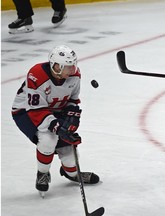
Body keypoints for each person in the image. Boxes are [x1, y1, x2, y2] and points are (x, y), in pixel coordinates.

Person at [12, 45, 99, 197]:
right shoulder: (36, 75)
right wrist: (57, 127)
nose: (71, 70)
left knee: (70, 155)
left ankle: (71, 173)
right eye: (67, 67)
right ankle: (43, 173)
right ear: (55, 66)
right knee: (48, 139)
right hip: (26, 111)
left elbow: (72, 100)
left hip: (54, 110)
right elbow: (36, 110)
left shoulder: (74, 75)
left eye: (73, 66)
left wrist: (72, 116)